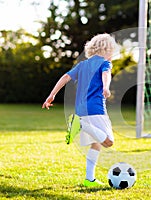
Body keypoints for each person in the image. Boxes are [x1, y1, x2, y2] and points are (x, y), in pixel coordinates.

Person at [42, 33, 117, 187]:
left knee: (95, 144)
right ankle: (80, 125)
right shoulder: (105, 63)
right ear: (107, 49)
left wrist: (52, 94)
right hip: (95, 108)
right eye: (112, 50)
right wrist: (106, 86)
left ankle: (89, 179)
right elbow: (106, 74)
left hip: (81, 110)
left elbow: (65, 77)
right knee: (109, 142)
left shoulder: (82, 65)